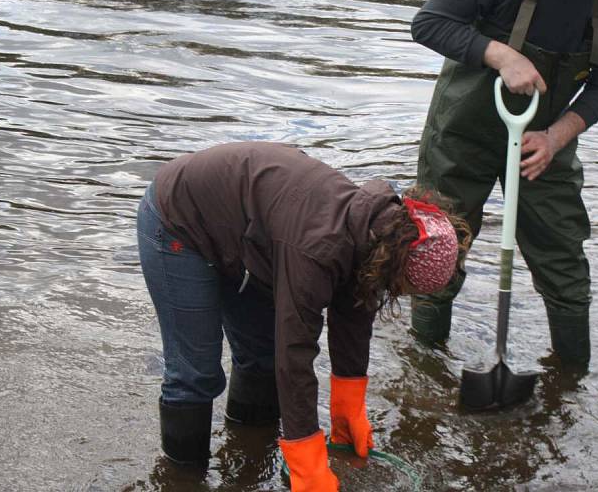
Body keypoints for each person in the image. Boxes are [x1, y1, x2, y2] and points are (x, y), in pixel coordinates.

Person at [136, 141, 470, 491]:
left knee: (260, 358)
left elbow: (353, 315)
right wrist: (307, 459)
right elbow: (295, 353)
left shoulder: (374, 233)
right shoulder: (318, 248)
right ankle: (183, 480)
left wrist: (348, 409)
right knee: (195, 374)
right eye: (404, 287)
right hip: (178, 221)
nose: (400, 295)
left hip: (245, 235)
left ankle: (249, 463)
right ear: (394, 264)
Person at [409, 0, 598, 371]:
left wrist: (556, 137)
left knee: (563, 260)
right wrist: (499, 55)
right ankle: (423, 366)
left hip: (544, 144)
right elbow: (428, 23)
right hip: (462, 133)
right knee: (437, 245)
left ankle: (571, 376)